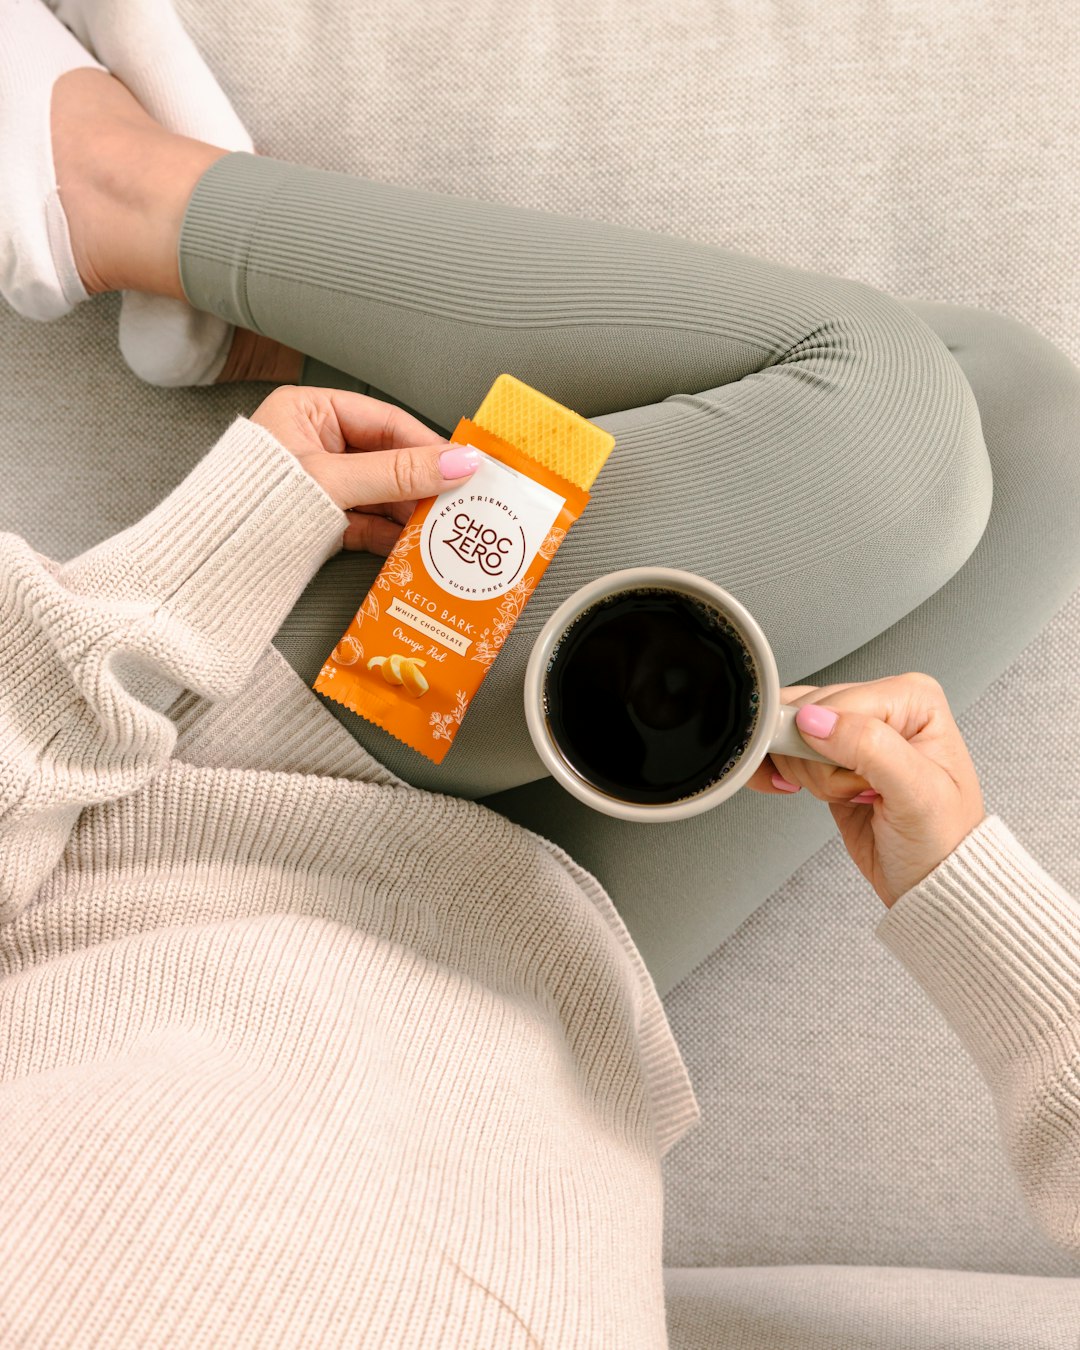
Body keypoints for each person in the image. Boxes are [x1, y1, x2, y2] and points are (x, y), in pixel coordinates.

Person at [1, 0, 1078, 1343]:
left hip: (255, 807)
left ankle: (120, 196)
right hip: (564, 970)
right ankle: (321, 316)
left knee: (917, 426)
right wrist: (963, 885)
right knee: (1024, 425)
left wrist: (194, 568)